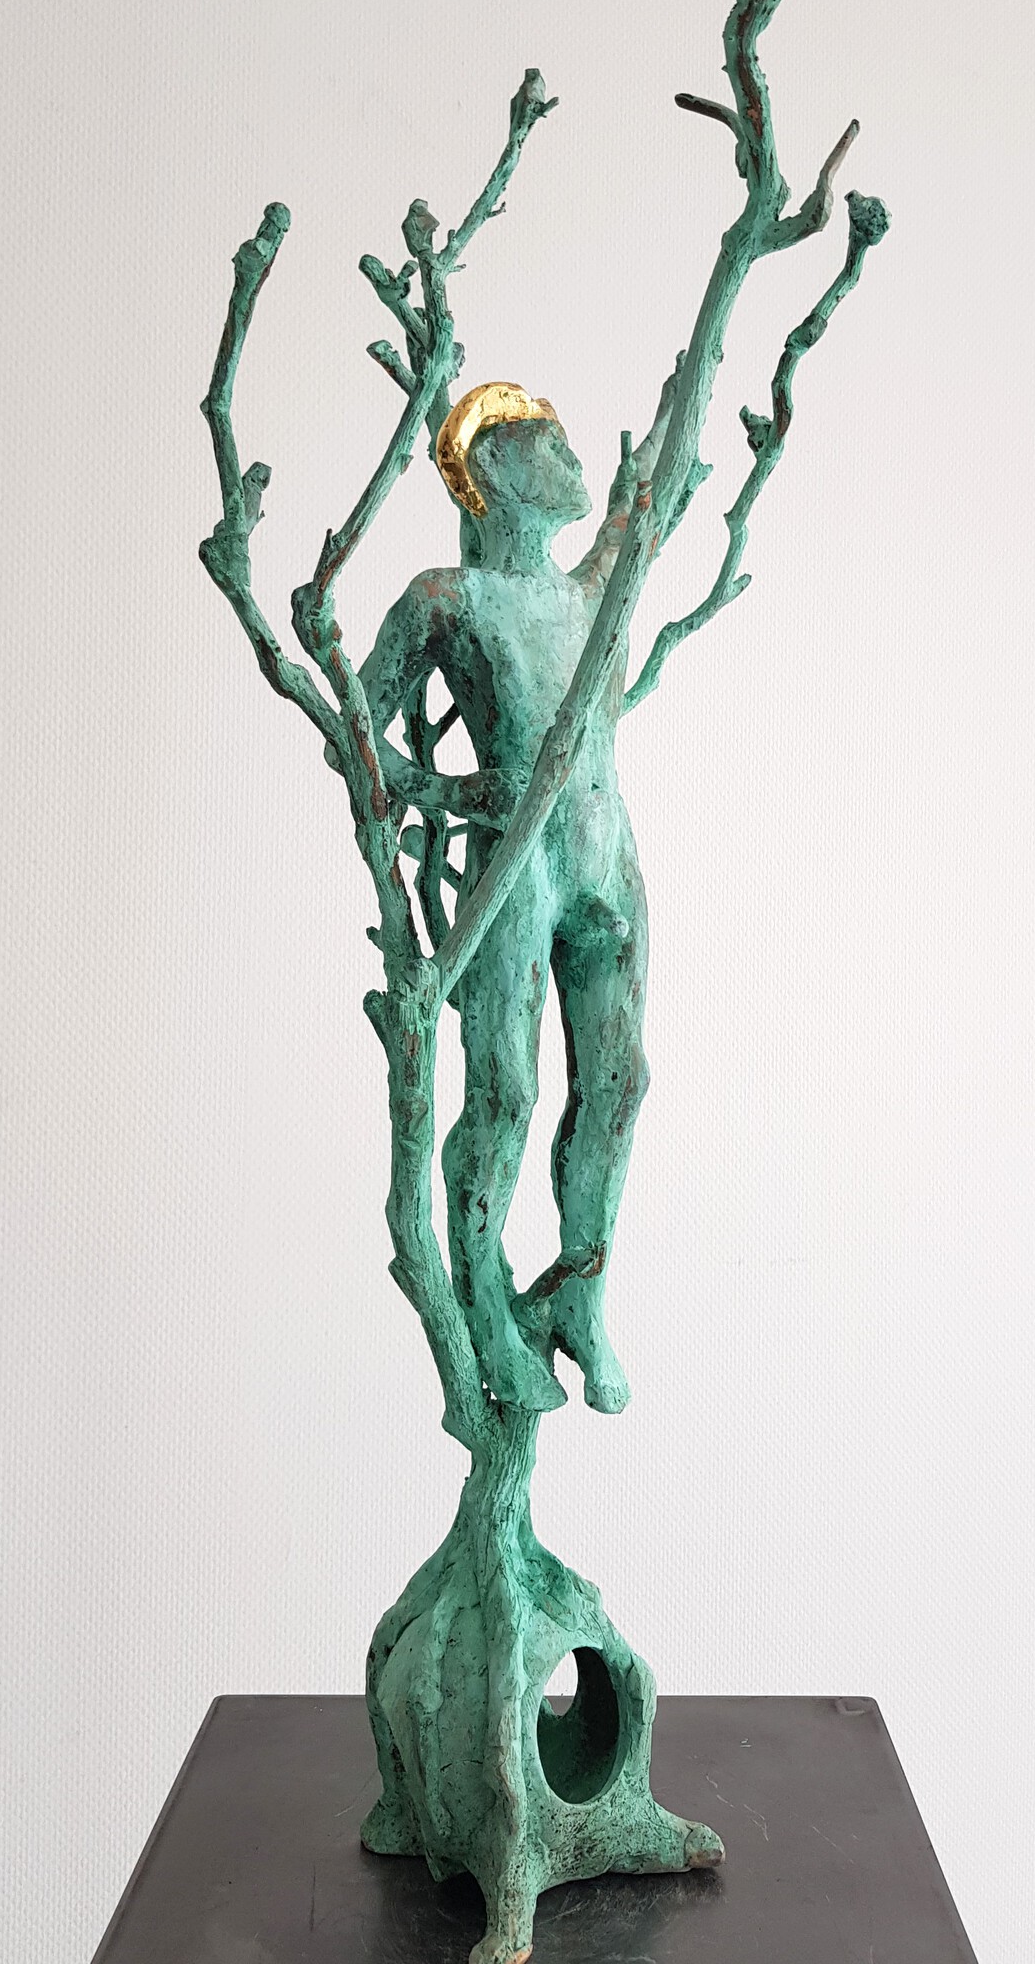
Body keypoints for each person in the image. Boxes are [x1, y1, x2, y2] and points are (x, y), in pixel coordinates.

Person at [359, 379, 672, 1414]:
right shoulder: (447, 599)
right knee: (504, 1093)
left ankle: (582, 1292)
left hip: (606, 858)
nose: (574, 456)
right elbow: (355, 730)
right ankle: (486, 1310)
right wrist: (456, 792)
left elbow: (647, 491)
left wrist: (676, 410)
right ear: (491, 468)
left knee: (618, 1083)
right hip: (517, 864)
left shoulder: (593, 592)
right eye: (550, 441)